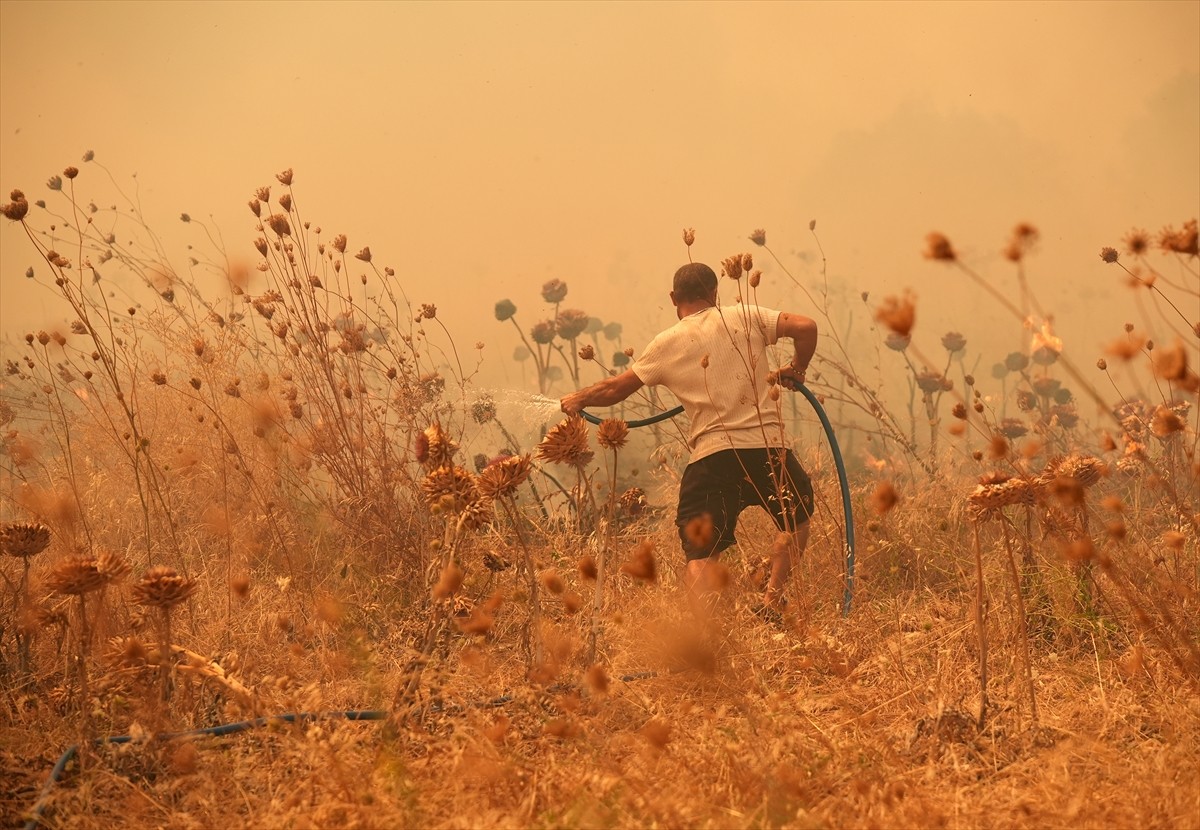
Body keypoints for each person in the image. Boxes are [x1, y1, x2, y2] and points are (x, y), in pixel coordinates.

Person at [560, 262, 818, 620]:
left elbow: (616, 388)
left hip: (712, 459)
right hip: (768, 449)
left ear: (673, 298)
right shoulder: (746, 316)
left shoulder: (666, 342)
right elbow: (806, 327)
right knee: (796, 521)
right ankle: (773, 599)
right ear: (714, 292)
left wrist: (580, 399)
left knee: (701, 554)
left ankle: (703, 635)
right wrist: (797, 369)